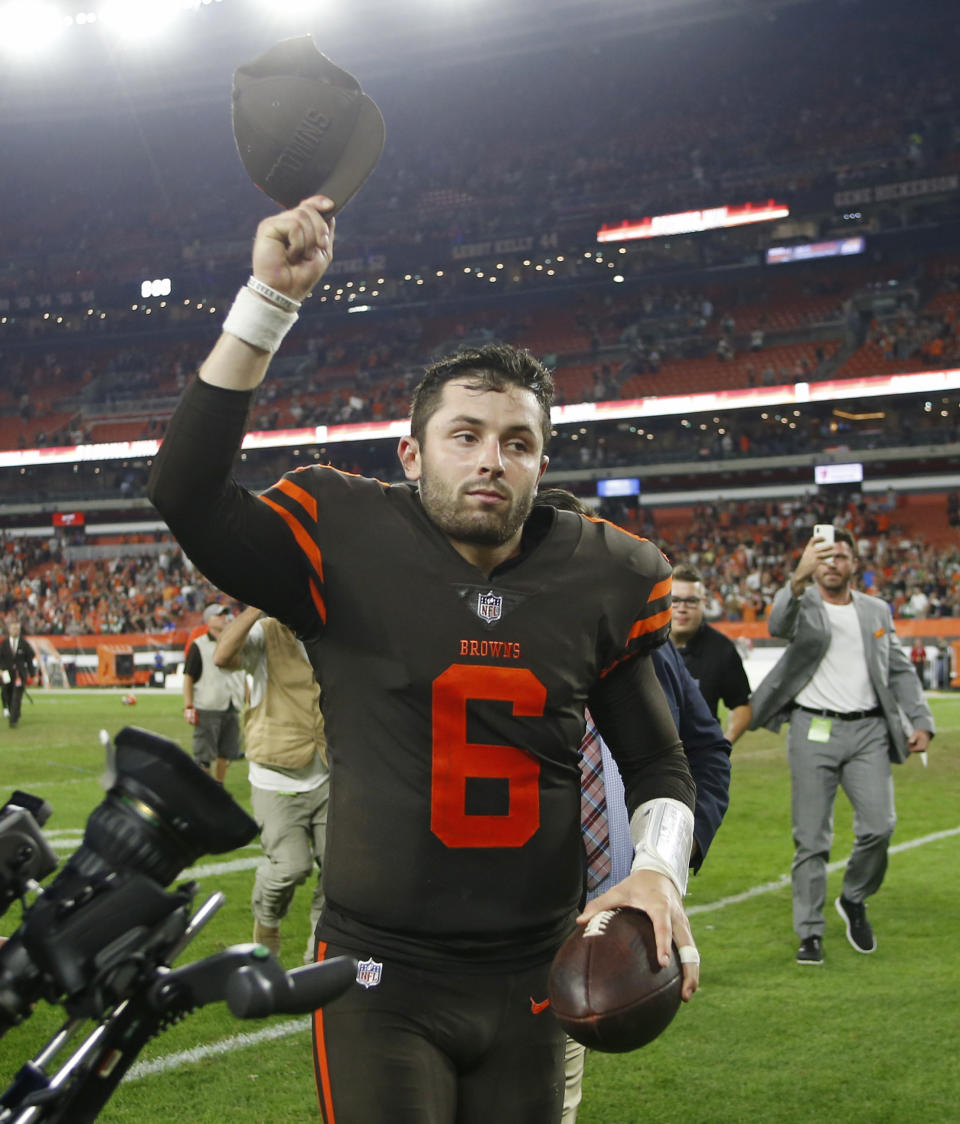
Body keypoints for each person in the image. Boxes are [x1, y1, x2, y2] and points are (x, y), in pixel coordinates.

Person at [148, 194, 699, 1124]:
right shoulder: (342, 536)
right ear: (412, 453)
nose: (492, 460)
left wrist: (658, 869)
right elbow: (185, 491)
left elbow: (658, 761)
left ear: (540, 460)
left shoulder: (602, 572)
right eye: (466, 435)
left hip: (536, 969)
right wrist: (266, 303)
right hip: (379, 973)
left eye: (517, 443)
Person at [749, 528, 934, 965]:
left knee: (880, 826)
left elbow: (900, 669)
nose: (833, 564)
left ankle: (853, 896)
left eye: (842, 557)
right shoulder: (802, 602)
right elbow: (777, 625)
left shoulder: (875, 611)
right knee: (811, 839)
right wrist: (796, 578)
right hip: (813, 729)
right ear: (815, 562)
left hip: (869, 732)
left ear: (854, 564)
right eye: (825, 557)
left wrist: (921, 719)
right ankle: (809, 932)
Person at [213, 605, 329, 964]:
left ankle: (318, 955)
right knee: (290, 867)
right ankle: (267, 921)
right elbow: (223, 656)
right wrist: (255, 606)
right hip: (276, 774)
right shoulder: (267, 632)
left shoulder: (333, 634)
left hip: (329, 771)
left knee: (340, 875)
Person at [670, 563, 753, 743]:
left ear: (704, 603)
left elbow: (741, 704)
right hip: (650, 760)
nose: (681, 608)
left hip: (700, 760)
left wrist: (724, 745)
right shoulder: (642, 646)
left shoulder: (721, 649)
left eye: (691, 601)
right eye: (674, 600)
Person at [182, 603, 246, 783]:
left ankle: (219, 788)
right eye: (219, 615)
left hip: (232, 704)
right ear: (208, 620)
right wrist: (188, 705)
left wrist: (247, 697)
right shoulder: (199, 645)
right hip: (208, 705)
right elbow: (188, 677)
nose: (224, 618)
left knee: (225, 753)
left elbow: (242, 672)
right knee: (204, 755)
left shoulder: (236, 643)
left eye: (225, 614)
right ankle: (206, 793)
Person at [0, 618, 37, 729]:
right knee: (7, 694)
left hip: (20, 675)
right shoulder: (4, 644)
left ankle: (13, 720)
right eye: (13, 628)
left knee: (17, 696)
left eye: (17, 628)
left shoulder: (24, 643)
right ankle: (14, 712)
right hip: (6, 673)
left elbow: (30, 658)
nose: (15, 630)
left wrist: (32, 673)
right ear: (9, 630)